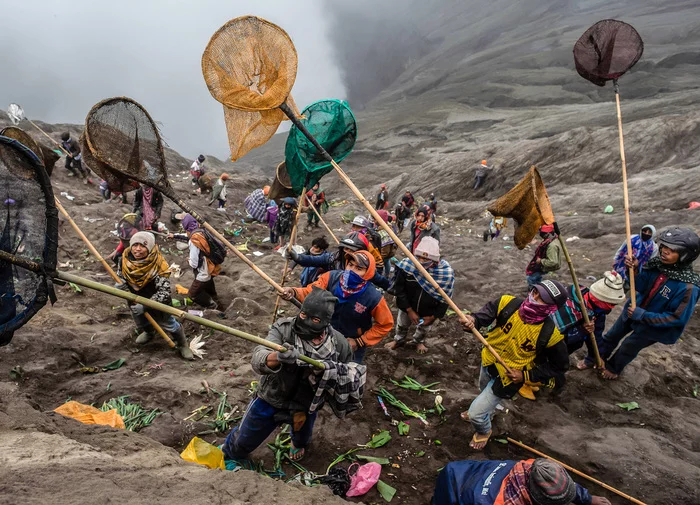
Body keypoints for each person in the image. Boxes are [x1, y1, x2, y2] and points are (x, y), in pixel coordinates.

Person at [221, 288, 363, 467]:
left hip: (306, 403)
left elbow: (346, 372)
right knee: (244, 438)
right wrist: (277, 357)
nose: (307, 321)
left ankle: (297, 443)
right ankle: (232, 453)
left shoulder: (339, 344)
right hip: (272, 397)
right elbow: (258, 357)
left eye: (316, 319)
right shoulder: (284, 329)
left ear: (325, 322)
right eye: (303, 315)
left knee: (302, 434)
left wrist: (325, 371)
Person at [459, 280, 569, 449]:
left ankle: (484, 430)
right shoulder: (507, 303)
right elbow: (483, 317)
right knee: (483, 387)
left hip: (510, 377)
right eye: (535, 291)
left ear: (551, 308)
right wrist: (472, 320)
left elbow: (559, 366)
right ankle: (488, 411)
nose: (533, 297)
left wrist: (526, 376)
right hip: (488, 359)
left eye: (541, 298)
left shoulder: (550, 335)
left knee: (475, 414)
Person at [599, 227, 699, 380]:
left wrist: (642, 315)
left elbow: (676, 318)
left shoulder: (688, 287)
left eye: (671, 250)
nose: (664, 251)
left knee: (629, 346)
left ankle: (613, 368)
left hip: (652, 326)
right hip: (632, 310)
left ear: (685, 256)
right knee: (611, 336)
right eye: (664, 247)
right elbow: (639, 286)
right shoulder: (656, 265)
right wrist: (633, 270)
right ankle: (595, 358)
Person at [282, 250, 394, 364]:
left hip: (351, 341)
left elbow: (385, 324)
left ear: (368, 273)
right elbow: (311, 292)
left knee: (348, 373)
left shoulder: (373, 297)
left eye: (359, 268)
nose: (351, 271)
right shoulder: (331, 278)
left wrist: (360, 341)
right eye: (350, 265)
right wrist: (294, 292)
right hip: (324, 333)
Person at [117, 231, 194, 360]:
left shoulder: (159, 265)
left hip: (157, 303)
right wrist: (120, 285)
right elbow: (121, 276)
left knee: (169, 324)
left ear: (150, 247)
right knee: (141, 321)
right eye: (135, 245)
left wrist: (146, 305)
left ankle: (182, 344)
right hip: (134, 299)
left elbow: (164, 293)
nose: (137, 249)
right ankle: (149, 332)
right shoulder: (124, 260)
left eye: (142, 246)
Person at [434, 457, 611, 505]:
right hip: (454, 489)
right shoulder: (497, 503)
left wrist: (588, 499)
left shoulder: (535, 467)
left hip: (470, 469)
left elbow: (562, 485)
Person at [385, 237, 452, 354]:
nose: (421, 261)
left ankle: (418, 341)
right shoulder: (407, 267)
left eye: (426, 258)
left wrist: (433, 316)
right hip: (408, 305)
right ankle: (399, 340)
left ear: (435, 260)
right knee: (402, 324)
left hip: (428, 310)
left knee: (424, 328)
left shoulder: (445, 274)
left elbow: (445, 299)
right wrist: (409, 310)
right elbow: (399, 290)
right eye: (419, 257)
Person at [553, 271, 625, 371]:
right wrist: (581, 331)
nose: (611, 308)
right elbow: (553, 335)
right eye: (610, 304)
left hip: (570, 344)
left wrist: (597, 356)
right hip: (552, 342)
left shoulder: (598, 312)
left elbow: (596, 335)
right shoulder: (567, 302)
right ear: (599, 299)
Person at [287, 231, 391, 290]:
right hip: (332, 293)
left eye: (352, 250)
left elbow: (380, 280)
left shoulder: (366, 265)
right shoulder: (333, 258)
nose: (348, 253)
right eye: (346, 249)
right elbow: (313, 259)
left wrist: (391, 288)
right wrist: (297, 257)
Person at [179, 214, 224, 309]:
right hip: (211, 267)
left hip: (203, 272)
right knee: (209, 289)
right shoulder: (202, 232)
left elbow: (194, 264)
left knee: (193, 294)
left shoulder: (194, 240)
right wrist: (174, 236)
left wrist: (188, 260)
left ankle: (213, 306)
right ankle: (218, 303)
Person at [612, 224, 658, 289]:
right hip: (623, 263)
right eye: (644, 231)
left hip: (637, 269)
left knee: (629, 284)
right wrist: (615, 259)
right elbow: (621, 249)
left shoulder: (653, 247)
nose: (646, 234)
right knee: (615, 281)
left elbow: (651, 260)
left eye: (649, 232)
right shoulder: (632, 238)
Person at [526, 224, 562, 290]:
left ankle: (534, 292)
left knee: (531, 278)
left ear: (548, 233)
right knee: (535, 278)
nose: (541, 234)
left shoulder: (552, 246)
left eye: (543, 233)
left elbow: (553, 262)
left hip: (543, 266)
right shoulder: (551, 240)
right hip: (542, 266)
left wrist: (541, 261)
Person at [374, 210, 397, 278]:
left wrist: (379, 258)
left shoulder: (384, 233)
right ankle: (387, 274)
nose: (373, 220)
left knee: (383, 264)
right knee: (387, 262)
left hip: (384, 254)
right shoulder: (388, 226)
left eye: (375, 219)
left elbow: (385, 250)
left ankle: (384, 276)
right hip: (388, 252)